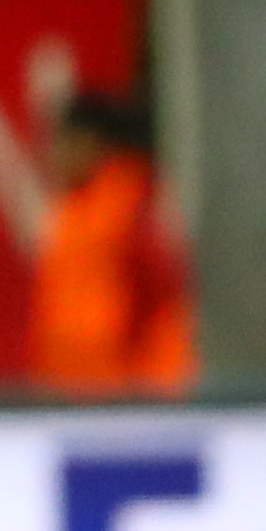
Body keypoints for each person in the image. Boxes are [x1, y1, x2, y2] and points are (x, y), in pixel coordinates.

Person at [31, 90, 195, 393]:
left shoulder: (130, 196)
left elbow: (159, 281)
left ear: (90, 143)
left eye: (63, 143)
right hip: (77, 382)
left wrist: (141, 376)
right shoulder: (70, 205)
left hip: (131, 385)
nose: (54, 155)